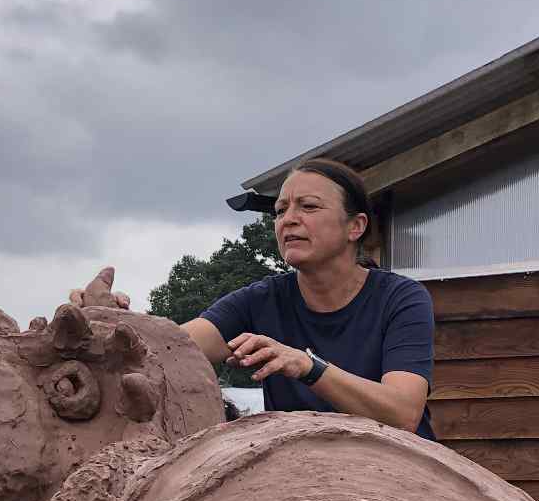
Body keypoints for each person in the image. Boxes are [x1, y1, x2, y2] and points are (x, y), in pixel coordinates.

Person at [185, 158, 435, 437]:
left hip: (394, 462)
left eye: (309, 206)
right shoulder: (259, 300)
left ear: (355, 226)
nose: (288, 219)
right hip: (294, 463)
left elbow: (402, 414)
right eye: (280, 210)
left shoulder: (401, 299)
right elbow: (170, 347)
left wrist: (307, 366)